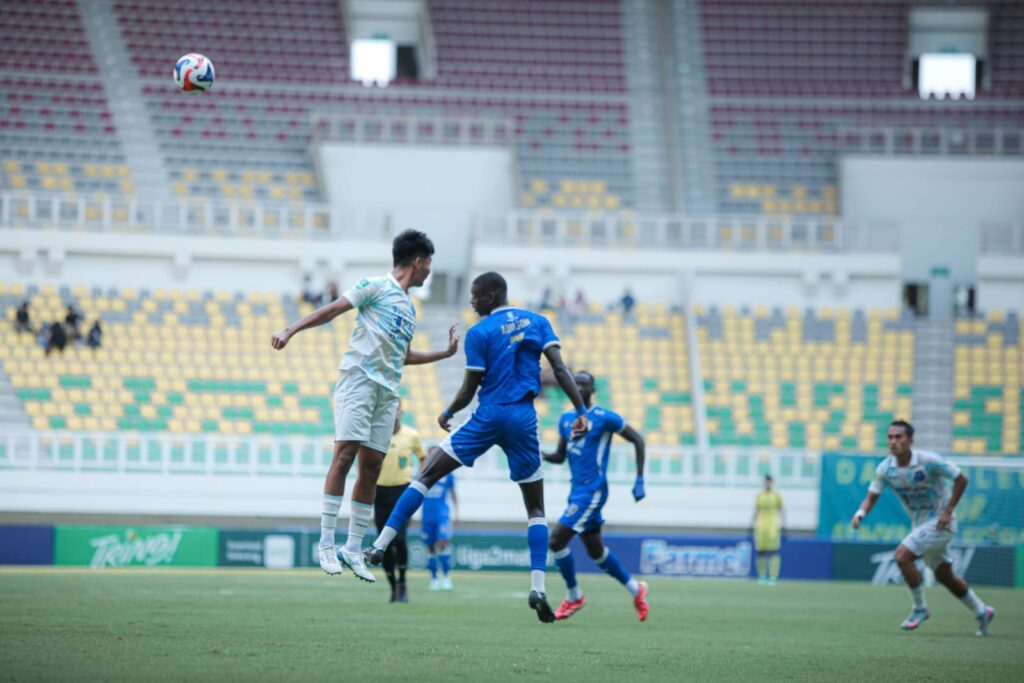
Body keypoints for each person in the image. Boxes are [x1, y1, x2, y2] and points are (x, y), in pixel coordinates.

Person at [365, 271, 591, 623]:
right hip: (523, 419)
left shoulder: (481, 332)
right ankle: (538, 587)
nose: (471, 302)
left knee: (425, 475)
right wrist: (581, 410)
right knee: (535, 509)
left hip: (488, 416)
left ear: (491, 295)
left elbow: (470, 387)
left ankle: (379, 546)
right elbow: (560, 369)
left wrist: (449, 411)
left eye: (475, 296)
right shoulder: (538, 321)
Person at [271, 229, 459, 583]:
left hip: (388, 392)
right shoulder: (375, 286)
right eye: (429, 263)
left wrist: (444, 353)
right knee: (344, 457)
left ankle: (352, 547)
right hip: (358, 380)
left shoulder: (407, 307)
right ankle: (326, 544)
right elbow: (333, 310)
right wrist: (291, 328)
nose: (429, 271)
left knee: (371, 467)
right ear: (417, 262)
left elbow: (404, 357)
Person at [851, 420, 995, 635]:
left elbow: (961, 479)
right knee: (945, 577)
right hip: (921, 525)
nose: (893, 441)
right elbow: (871, 497)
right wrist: (860, 514)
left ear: (910, 440)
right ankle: (982, 610)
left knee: (902, 556)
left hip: (941, 522)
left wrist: (947, 510)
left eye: (899, 437)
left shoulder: (929, 461)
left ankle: (919, 608)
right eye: (890, 437)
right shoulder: (886, 469)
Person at [543, 370, 649, 621]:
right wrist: (538, 454)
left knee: (556, 540)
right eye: (575, 383)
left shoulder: (604, 417)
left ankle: (574, 596)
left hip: (593, 489)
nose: (579, 388)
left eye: (584, 384)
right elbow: (560, 456)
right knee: (595, 551)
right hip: (576, 491)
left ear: (592, 390)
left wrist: (640, 478)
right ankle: (636, 589)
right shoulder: (566, 419)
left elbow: (638, 440)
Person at [375, 400, 424, 603]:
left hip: (402, 490)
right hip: (379, 491)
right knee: (382, 543)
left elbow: (423, 457)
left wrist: (420, 480)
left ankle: (402, 582)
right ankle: (392, 585)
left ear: (401, 411)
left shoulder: (411, 435)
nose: (392, 411)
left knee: (400, 539)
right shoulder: (376, 434)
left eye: (396, 407)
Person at [421, 471, 457, 591]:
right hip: (427, 517)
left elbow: (453, 494)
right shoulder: (423, 474)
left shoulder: (448, 475)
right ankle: (434, 578)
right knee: (430, 548)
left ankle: (446, 577)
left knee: (442, 545)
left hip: (442, 516)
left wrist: (456, 512)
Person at [751, 474, 785, 585]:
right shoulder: (760, 495)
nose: (768, 483)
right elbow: (756, 510)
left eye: (769, 481)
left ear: (772, 482)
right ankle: (762, 575)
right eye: (766, 481)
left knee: (773, 551)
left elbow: (781, 510)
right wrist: (753, 524)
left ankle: (773, 576)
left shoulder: (776, 496)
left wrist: (784, 525)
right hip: (761, 527)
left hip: (773, 527)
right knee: (761, 552)